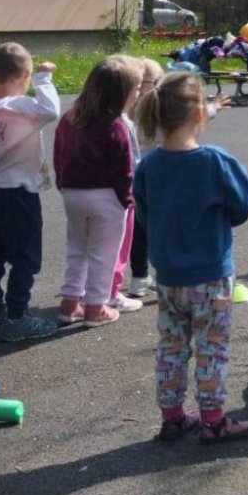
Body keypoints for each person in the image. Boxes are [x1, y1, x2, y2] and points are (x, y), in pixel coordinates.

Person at [134, 71, 248, 443]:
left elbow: (143, 215)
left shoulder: (149, 165)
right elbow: (241, 206)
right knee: (211, 347)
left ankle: (172, 415)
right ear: (199, 115)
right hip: (211, 275)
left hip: (169, 276)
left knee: (171, 346)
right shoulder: (215, 161)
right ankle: (213, 418)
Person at [0, 42, 60, 342]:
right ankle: (17, 316)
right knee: (25, 258)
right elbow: (51, 110)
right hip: (19, 194)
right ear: (26, 76)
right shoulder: (25, 109)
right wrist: (45, 79)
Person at [53, 55, 136, 327]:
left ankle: (69, 303)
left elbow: (58, 155)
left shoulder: (70, 119)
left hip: (73, 193)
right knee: (103, 254)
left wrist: (63, 185)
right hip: (106, 197)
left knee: (77, 248)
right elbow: (124, 169)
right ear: (122, 94)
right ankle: (95, 308)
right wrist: (126, 200)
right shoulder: (115, 126)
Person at [105, 55, 147, 314]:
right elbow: (134, 161)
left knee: (92, 248)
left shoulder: (84, 117)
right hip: (121, 196)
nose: (140, 93)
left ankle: (91, 292)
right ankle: (110, 293)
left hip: (93, 192)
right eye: (138, 87)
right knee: (119, 246)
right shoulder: (123, 122)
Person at [125, 57, 165, 298]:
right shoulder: (158, 109)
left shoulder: (126, 108)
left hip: (130, 177)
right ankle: (164, 276)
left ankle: (139, 277)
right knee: (161, 229)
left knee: (138, 231)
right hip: (157, 177)